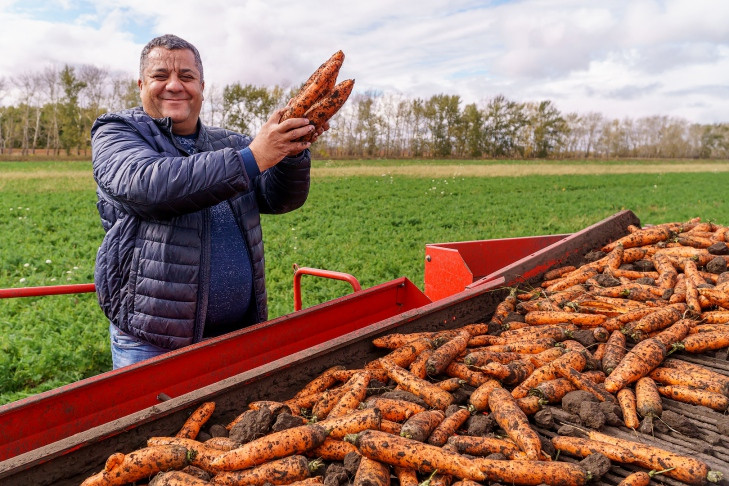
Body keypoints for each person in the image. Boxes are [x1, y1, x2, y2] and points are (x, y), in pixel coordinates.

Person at [91, 34, 327, 369]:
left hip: (237, 334)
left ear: (202, 85)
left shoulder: (228, 142)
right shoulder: (117, 133)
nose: (174, 85)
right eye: (161, 76)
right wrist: (254, 156)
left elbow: (279, 198)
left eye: (186, 77)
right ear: (142, 84)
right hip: (154, 342)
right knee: (157, 422)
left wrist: (291, 152)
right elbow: (148, 185)